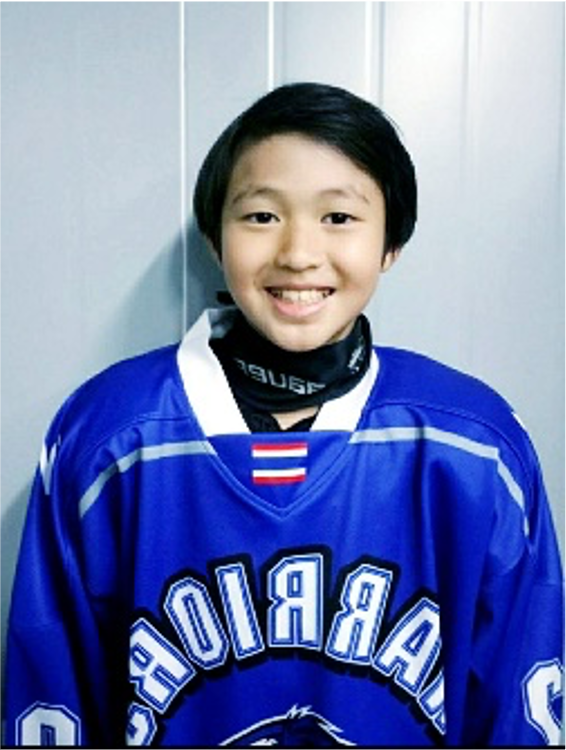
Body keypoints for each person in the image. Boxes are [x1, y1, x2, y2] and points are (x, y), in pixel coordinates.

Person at [3, 81, 563, 746]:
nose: (298, 253)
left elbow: (518, 704)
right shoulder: (107, 438)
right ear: (215, 236)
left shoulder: (474, 445)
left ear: (391, 242)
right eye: (262, 216)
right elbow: (51, 693)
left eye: (339, 217)